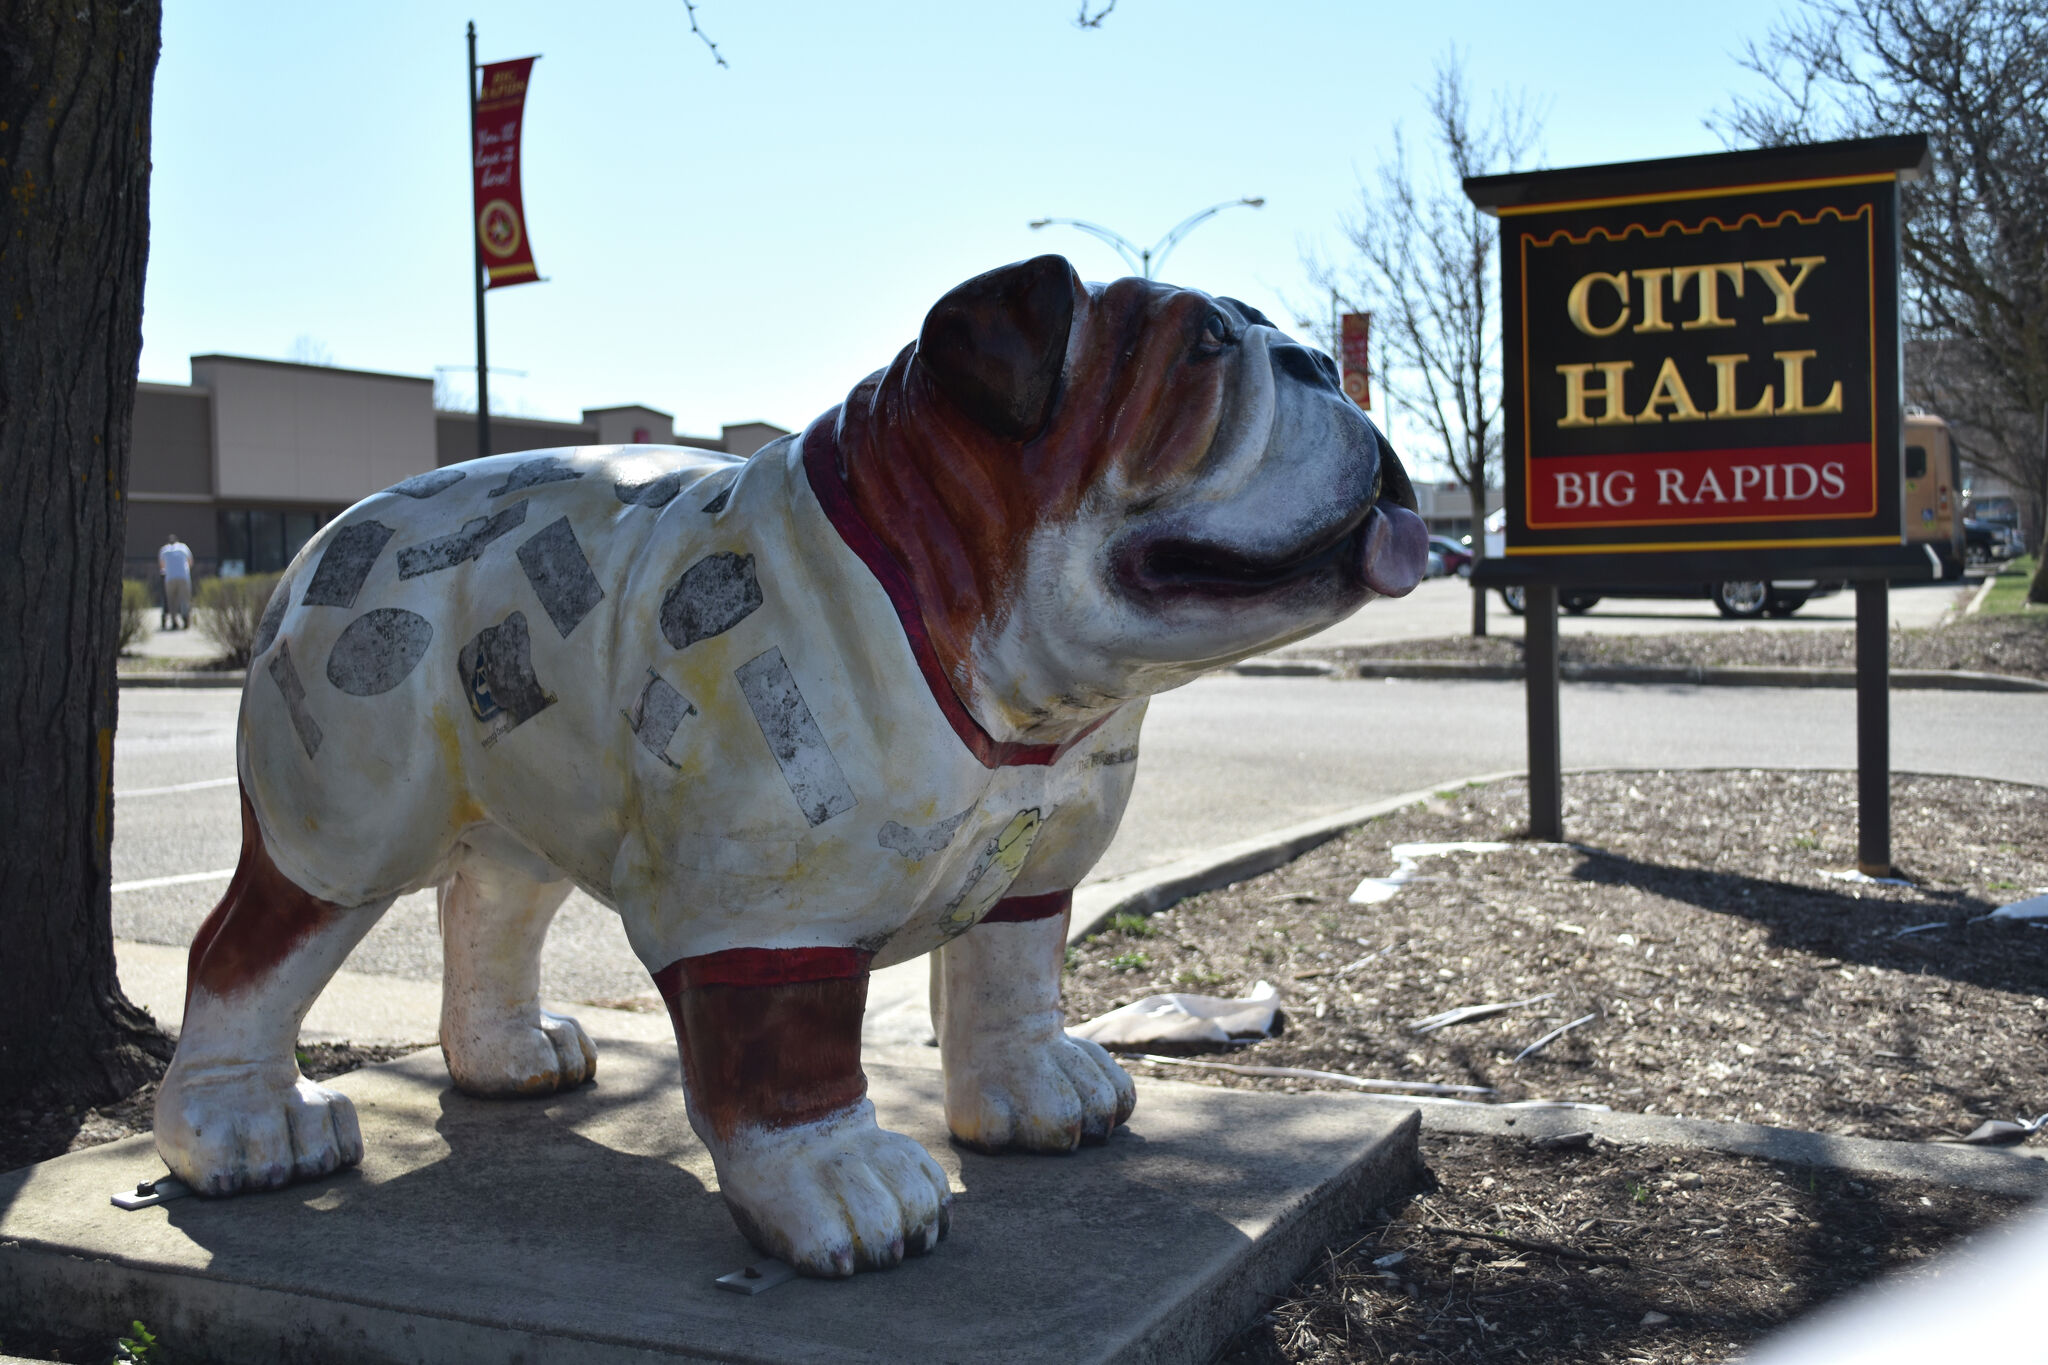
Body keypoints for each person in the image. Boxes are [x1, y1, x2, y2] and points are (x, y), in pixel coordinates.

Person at [158, 533, 193, 630]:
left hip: (170, 577)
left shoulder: (164, 550)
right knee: (184, 598)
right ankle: (185, 616)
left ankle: (174, 621)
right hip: (183, 576)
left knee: (171, 600)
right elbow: (190, 562)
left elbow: (162, 566)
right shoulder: (183, 547)